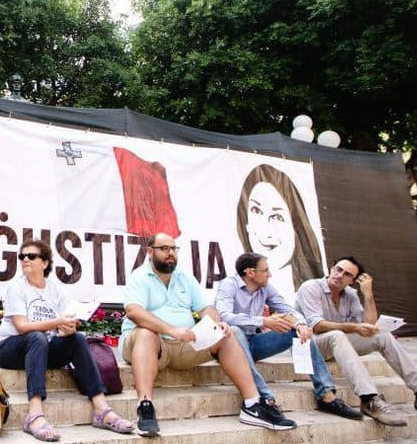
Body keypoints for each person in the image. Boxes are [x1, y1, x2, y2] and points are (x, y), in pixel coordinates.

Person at [121, 233, 296, 435]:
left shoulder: (184, 277)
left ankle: (252, 405)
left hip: (183, 345)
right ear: (150, 252)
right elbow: (134, 311)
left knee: (227, 333)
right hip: (150, 345)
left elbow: (205, 308)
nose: (171, 253)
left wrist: (217, 323)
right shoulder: (140, 276)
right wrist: (171, 330)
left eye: (174, 249)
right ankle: (145, 406)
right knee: (145, 333)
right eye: (164, 249)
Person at [295, 256, 417, 426]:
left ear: (353, 280)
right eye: (338, 269)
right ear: (332, 268)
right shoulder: (311, 287)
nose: (340, 275)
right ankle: (369, 399)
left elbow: (369, 324)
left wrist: (368, 294)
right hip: (308, 346)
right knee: (337, 335)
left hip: (335, 344)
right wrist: (355, 328)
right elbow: (316, 325)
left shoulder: (350, 294)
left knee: (382, 334)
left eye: (347, 274)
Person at [0, 240, 135, 441]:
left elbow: (63, 327)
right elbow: (22, 327)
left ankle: (101, 409)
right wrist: (57, 322)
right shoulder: (15, 288)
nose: (25, 259)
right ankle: (34, 415)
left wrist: (68, 328)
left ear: (44, 263)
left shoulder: (55, 290)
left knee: (77, 338)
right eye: (22, 256)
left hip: (41, 349)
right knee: (36, 336)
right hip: (10, 348)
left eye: (31, 256)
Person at [215, 252, 362, 420]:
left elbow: (287, 309)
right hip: (230, 349)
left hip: (254, 343)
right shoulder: (229, 285)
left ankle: (326, 396)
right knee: (235, 330)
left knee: (296, 332)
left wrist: (301, 324)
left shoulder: (265, 287)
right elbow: (224, 317)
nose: (269, 274)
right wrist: (263, 321)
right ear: (250, 273)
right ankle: (265, 399)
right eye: (265, 270)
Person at [236, 164, 324, 298]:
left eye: (277, 217)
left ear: (296, 228)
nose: (266, 230)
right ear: (246, 223)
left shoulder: (312, 291)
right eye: (256, 211)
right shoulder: (233, 285)